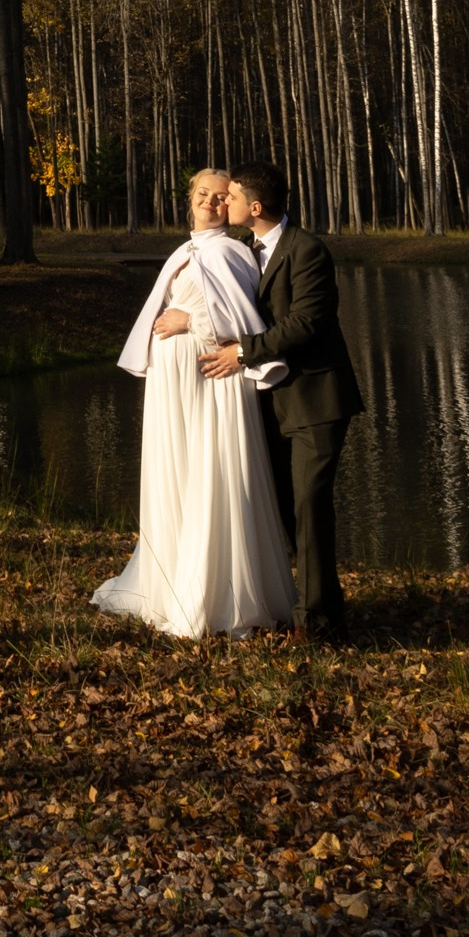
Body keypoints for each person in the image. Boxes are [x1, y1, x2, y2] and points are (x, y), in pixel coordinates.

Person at [90, 167, 296, 639]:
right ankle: (170, 580)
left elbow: (243, 320)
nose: (211, 202)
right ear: (190, 199)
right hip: (174, 386)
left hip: (212, 382)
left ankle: (215, 592)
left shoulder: (231, 252)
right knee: (177, 474)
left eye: (222, 197)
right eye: (203, 193)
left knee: (210, 474)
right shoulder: (187, 250)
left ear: (235, 207)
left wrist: (191, 319)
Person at [198, 161, 365, 643]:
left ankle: (319, 623)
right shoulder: (247, 249)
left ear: (254, 207)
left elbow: (306, 322)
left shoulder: (307, 250)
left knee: (311, 506)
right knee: (283, 508)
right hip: (270, 402)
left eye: (228, 197)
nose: (220, 203)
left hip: (316, 399)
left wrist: (243, 352)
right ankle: (297, 602)